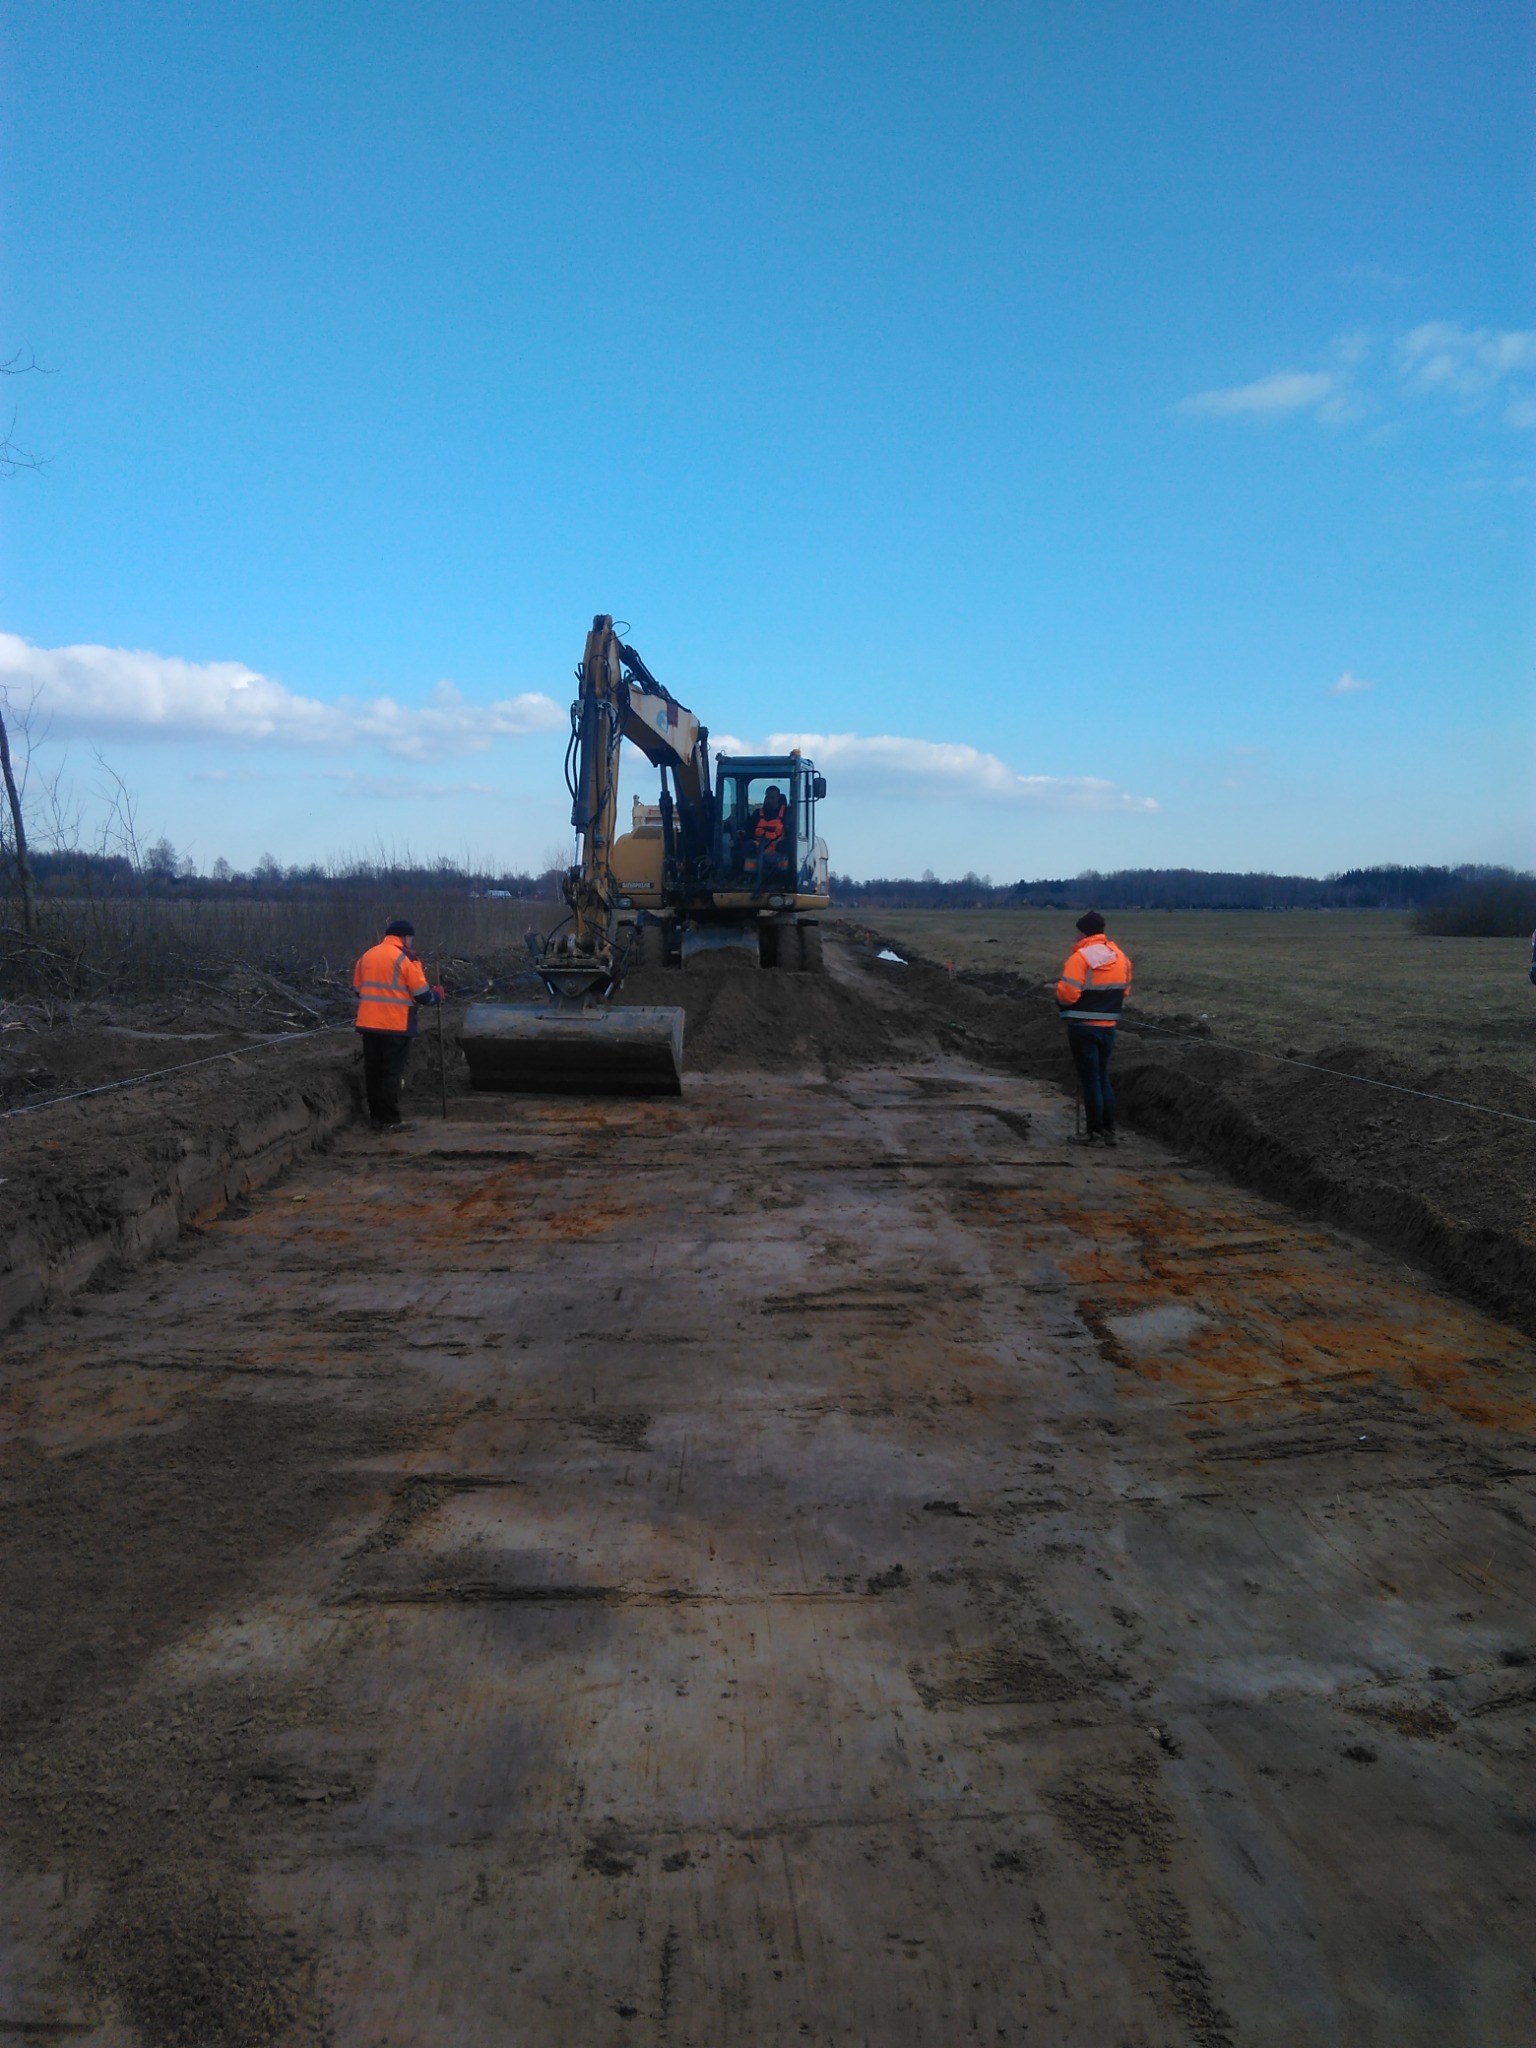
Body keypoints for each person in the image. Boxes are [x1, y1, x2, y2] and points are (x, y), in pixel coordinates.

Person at [352, 918, 444, 1129]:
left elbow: (358, 989)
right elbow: (422, 995)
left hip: (368, 1024)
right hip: (395, 1025)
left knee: (373, 1072)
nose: (411, 942)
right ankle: (391, 1121)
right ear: (405, 936)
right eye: (411, 938)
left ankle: (376, 1118)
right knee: (391, 1073)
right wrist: (437, 995)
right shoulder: (406, 958)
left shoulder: (367, 956)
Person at [1055, 911, 1133, 1146]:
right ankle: (1108, 1131)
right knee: (1102, 1078)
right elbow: (1124, 991)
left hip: (1082, 1027)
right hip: (1108, 1026)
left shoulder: (1080, 958)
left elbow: (1068, 995)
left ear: (1082, 931)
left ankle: (1094, 1132)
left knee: (1090, 1081)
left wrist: (1058, 996)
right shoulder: (1121, 957)